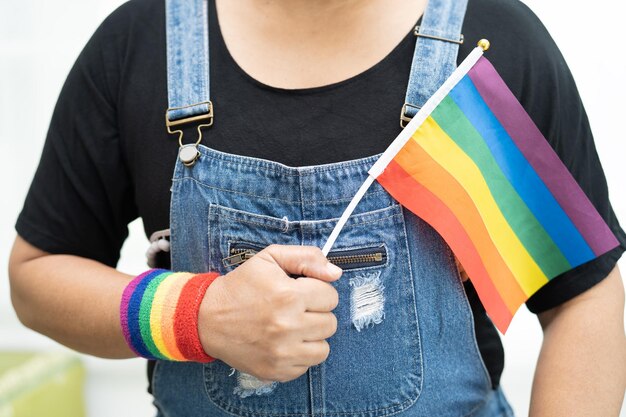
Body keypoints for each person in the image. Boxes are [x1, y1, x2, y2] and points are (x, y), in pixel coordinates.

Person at [8, 0, 626, 415]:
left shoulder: (492, 46)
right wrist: (195, 316)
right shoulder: (137, 46)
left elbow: (581, 295)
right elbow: (36, 278)